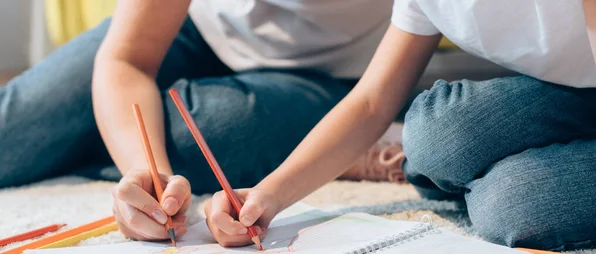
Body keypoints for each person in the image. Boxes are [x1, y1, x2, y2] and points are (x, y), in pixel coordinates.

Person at [203, 0, 596, 251]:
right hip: (578, 91)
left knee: (509, 206)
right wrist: (267, 195)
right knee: (433, 134)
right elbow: (372, 102)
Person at [0, 0, 400, 240]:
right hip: (193, 27)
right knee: (13, 131)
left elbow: (375, 95)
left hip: (327, 73)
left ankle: (343, 146)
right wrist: (146, 170)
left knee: (208, 136)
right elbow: (127, 58)